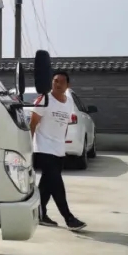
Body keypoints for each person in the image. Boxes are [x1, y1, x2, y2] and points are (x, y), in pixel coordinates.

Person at [29, 71, 87, 230]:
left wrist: (63, 144)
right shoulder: (44, 100)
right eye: (55, 81)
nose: (57, 84)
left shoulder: (69, 102)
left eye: (61, 82)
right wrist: (29, 147)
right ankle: (69, 218)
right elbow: (33, 124)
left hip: (59, 150)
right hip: (43, 149)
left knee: (47, 184)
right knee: (56, 184)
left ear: (68, 85)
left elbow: (65, 125)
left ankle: (40, 214)